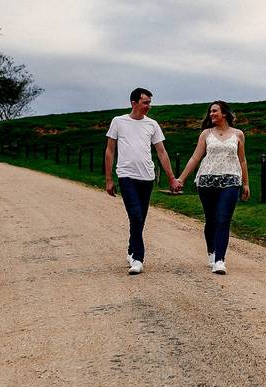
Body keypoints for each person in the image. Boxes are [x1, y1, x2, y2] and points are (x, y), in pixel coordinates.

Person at [105, 87, 182, 275]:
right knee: (136, 216)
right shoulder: (118, 122)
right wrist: (109, 179)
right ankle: (138, 259)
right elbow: (110, 151)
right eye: (145, 102)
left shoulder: (152, 125)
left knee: (140, 219)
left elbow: (162, 152)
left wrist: (172, 178)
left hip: (147, 177)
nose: (148, 106)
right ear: (134, 103)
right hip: (126, 176)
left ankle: (131, 249)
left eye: (149, 102)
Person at [176, 100, 250, 275]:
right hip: (207, 181)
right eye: (210, 112)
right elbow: (195, 158)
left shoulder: (238, 134)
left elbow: (242, 160)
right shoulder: (206, 134)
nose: (211, 114)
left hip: (231, 181)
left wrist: (245, 183)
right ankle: (212, 251)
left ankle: (220, 260)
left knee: (223, 219)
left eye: (214, 111)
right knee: (211, 220)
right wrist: (181, 179)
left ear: (224, 113)